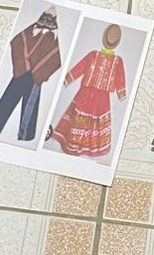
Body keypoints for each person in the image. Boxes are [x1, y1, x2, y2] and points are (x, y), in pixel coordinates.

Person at [48, 23, 129, 158]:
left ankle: (91, 148)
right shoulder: (93, 55)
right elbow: (80, 67)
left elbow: (120, 78)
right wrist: (68, 78)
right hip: (85, 93)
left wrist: (121, 93)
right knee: (79, 117)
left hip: (102, 98)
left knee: (96, 122)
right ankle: (72, 144)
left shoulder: (118, 61)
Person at [0, 7, 63, 142]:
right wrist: (24, 67)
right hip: (22, 72)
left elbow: (56, 59)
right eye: (45, 18)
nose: (47, 22)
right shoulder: (30, 32)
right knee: (8, 99)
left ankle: (25, 135)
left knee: (30, 106)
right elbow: (17, 42)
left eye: (50, 19)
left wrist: (37, 74)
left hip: (35, 76)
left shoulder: (53, 39)